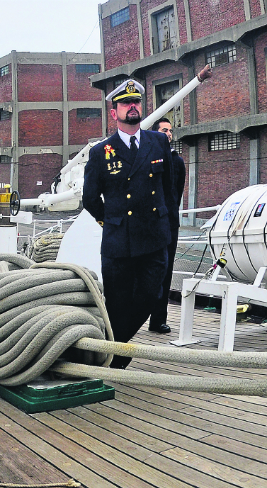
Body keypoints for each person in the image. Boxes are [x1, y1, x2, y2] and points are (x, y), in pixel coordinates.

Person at [83, 79, 176, 369]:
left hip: (154, 238)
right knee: (117, 305)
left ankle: (113, 351)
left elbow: (168, 188)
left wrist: (168, 226)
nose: (132, 106)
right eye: (125, 103)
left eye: (136, 101)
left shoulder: (158, 141)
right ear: (114, 113)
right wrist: (110, 220)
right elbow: (89, 198)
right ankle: (117, 363)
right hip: (118, 241)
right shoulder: (101, 152)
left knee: (151, 297)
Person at [148, 118, 187, 333]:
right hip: (147, 224)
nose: (169, 133)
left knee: (166, 271)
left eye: (171, 130)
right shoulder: (146, 159)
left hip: (169, 224)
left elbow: (176, 194)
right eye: (164, 130)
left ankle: (157, 320)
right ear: (155, 134)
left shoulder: (177, 162)